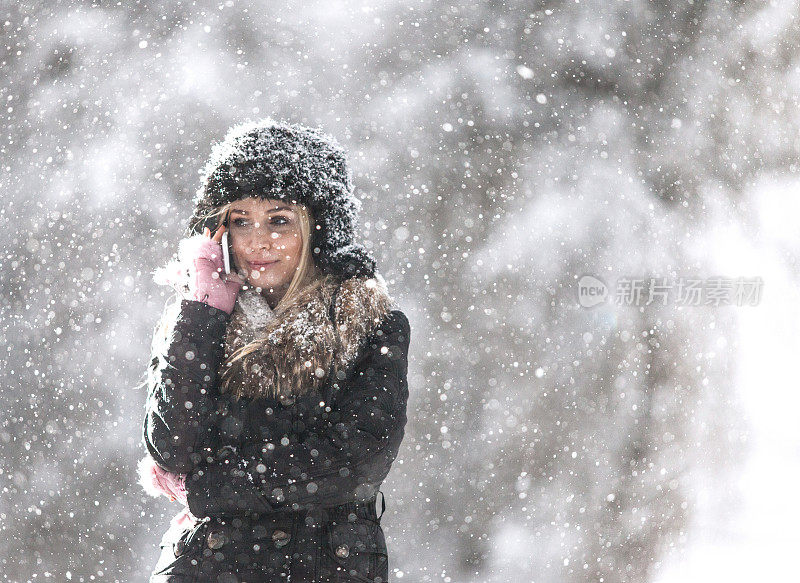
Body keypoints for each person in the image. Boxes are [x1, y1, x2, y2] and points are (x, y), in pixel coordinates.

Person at [138, 118, 411, 582]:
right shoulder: (200, 320)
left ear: (317, 229)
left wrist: (212, 486)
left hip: (321, 566)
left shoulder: (368, 324)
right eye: (240, 220)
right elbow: (170, 449)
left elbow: (354, 461)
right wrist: (203, 309)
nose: (256, 241)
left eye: (279, 220)